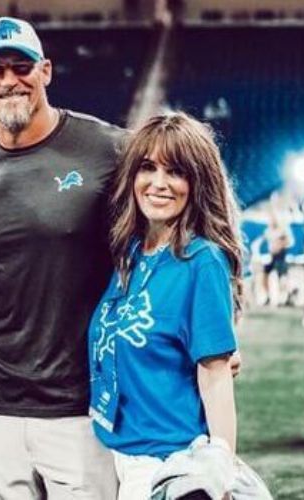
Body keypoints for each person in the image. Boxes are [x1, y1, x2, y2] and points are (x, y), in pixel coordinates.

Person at [0, 16, 123, 499]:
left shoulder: (109, 149)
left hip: (81, 407)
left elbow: (167, 242)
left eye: (20, 66)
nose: (8, 81)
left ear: (45, 70)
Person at [88, 112, 243, 499]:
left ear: (197, 182)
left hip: (167, 463)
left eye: (175, 171)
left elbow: (216, 375)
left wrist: (220, 468)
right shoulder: (132, 252)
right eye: (148, 168)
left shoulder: (201, 260)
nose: (158, 183)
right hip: (113, 454)